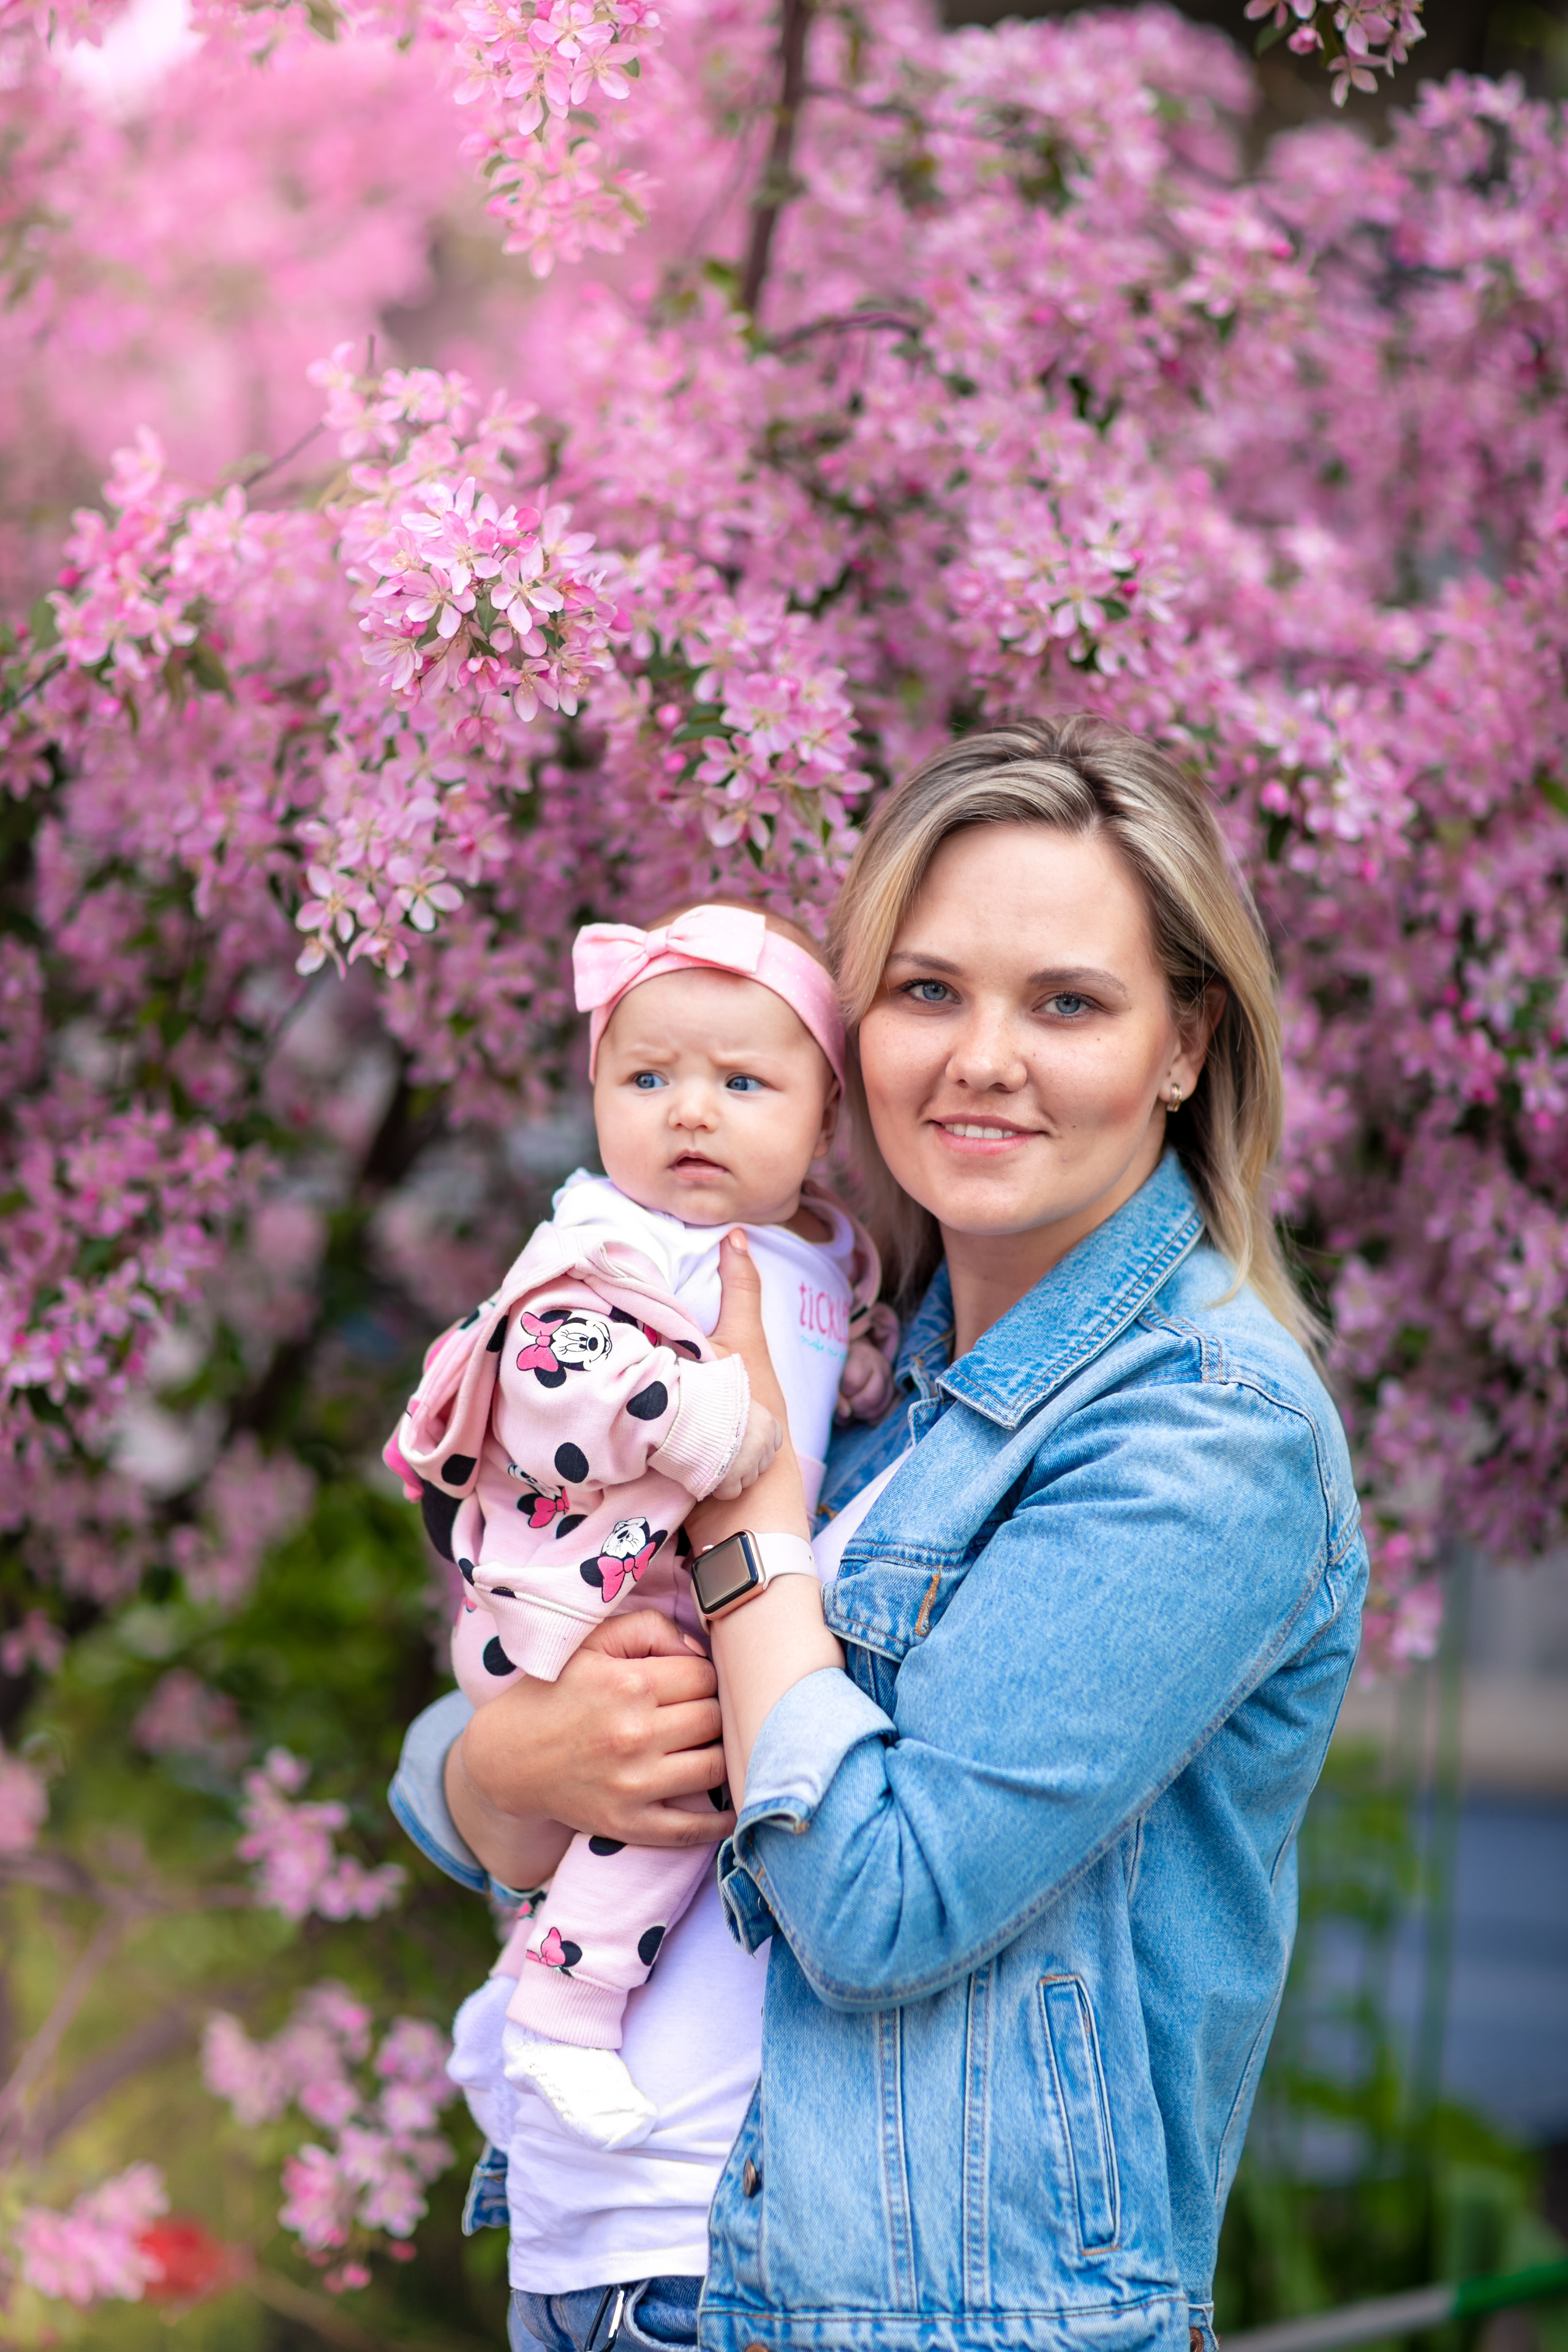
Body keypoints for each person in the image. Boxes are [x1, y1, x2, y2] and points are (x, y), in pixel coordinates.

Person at [390, 715, 1367, 2352]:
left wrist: (754, 1521)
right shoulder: (859, 1354)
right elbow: (484, 1744)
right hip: (619, 2271)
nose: (983, 1056)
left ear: (1185, 1042)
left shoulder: (1205, 1428)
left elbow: (881, 1906)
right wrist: (511, 1771)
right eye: (928, 992)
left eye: (1066, 1001)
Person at [385, 900, 893, 2159]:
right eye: (648, 1075)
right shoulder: (612, 1239)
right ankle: (563, 2014)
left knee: (699, 1770)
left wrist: (864, 1375)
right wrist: (700, 1422)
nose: (690, 1111)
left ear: (822, 1119)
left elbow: (833, 1366)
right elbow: (554, 1372)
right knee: (679, 1783)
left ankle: (518, 2002)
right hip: (587, 1597)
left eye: (741, 1082)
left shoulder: (824, 1253)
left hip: (697, 1595)